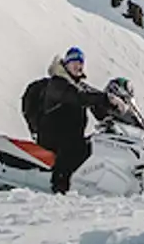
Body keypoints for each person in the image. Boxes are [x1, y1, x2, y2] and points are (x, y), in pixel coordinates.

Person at [21, 47, 112, 194]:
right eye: (74, 62)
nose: (78, 66)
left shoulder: (78, 85)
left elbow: (92, 102)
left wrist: (109, 113)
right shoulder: (58, 83)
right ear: (66, 64)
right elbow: (77, 98)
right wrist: (104, 98)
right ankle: (59, 186)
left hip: (70, 136)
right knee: (72, 149)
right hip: (54, 136)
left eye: (81, 62)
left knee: (92, 144)